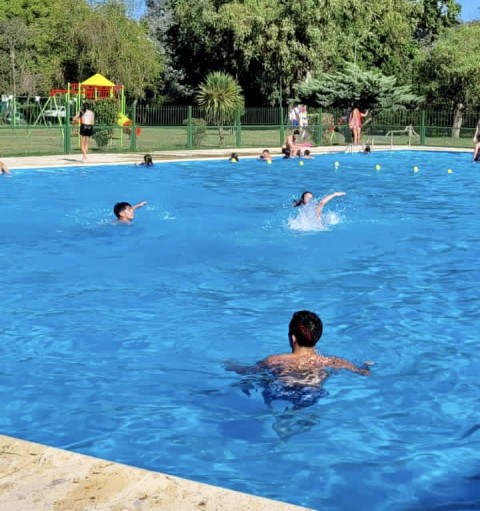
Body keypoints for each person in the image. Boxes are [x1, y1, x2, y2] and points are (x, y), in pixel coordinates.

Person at [261, 310, 371, 377]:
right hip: (311, 395)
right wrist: (366, 365)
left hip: (281, 392)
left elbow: (249, 372)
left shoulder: (274, 360)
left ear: (293, 338)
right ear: (318, 336)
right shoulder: (332, 361)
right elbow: (363, 373)